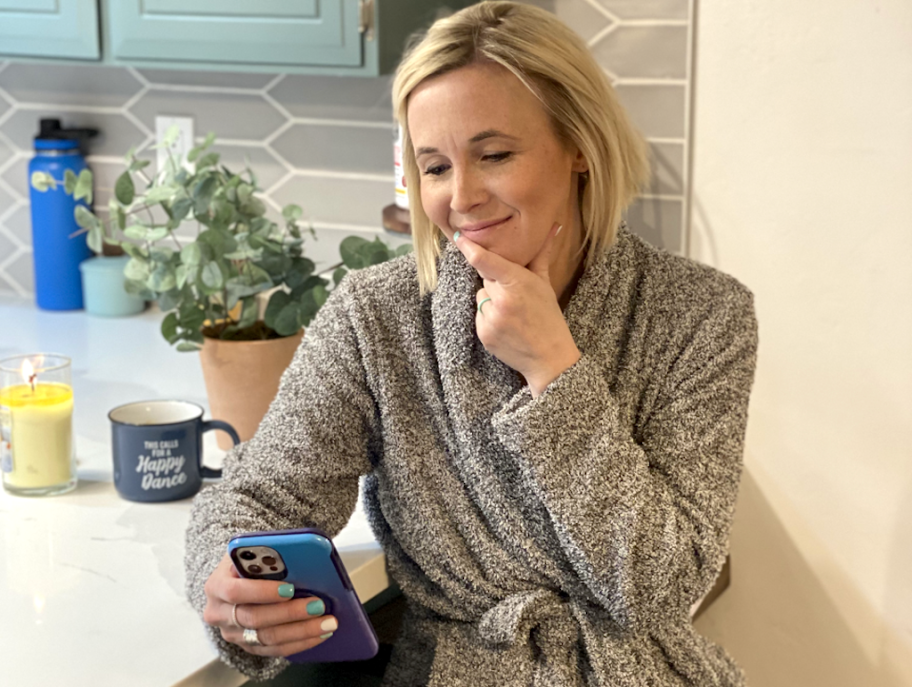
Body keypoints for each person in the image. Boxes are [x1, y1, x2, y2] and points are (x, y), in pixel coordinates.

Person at [184, 2, 759, 685]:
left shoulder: (703, 314)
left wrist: (553, 369)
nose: (460, 196)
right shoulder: (377, 318)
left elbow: (659, 586)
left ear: (579, 144)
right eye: (434, 167)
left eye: (494, 154)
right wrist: (222, 577)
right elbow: (257, 494)